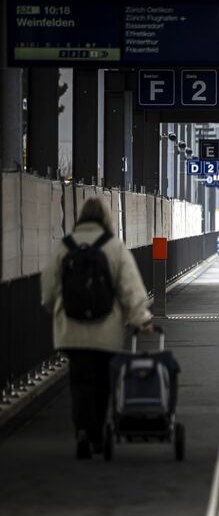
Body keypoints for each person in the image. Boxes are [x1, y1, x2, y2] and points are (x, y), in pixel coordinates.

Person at [41, 197, 154, 459]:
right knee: (102, 380)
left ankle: (81, 429)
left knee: (79, 380)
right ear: (106, 218)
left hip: (71, 330)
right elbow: (130, 289)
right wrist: (142, 320)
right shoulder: (113, 247)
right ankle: (97, 434)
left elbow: (48, 291)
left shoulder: (64, 247)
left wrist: (56, 310)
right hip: (106, 330)